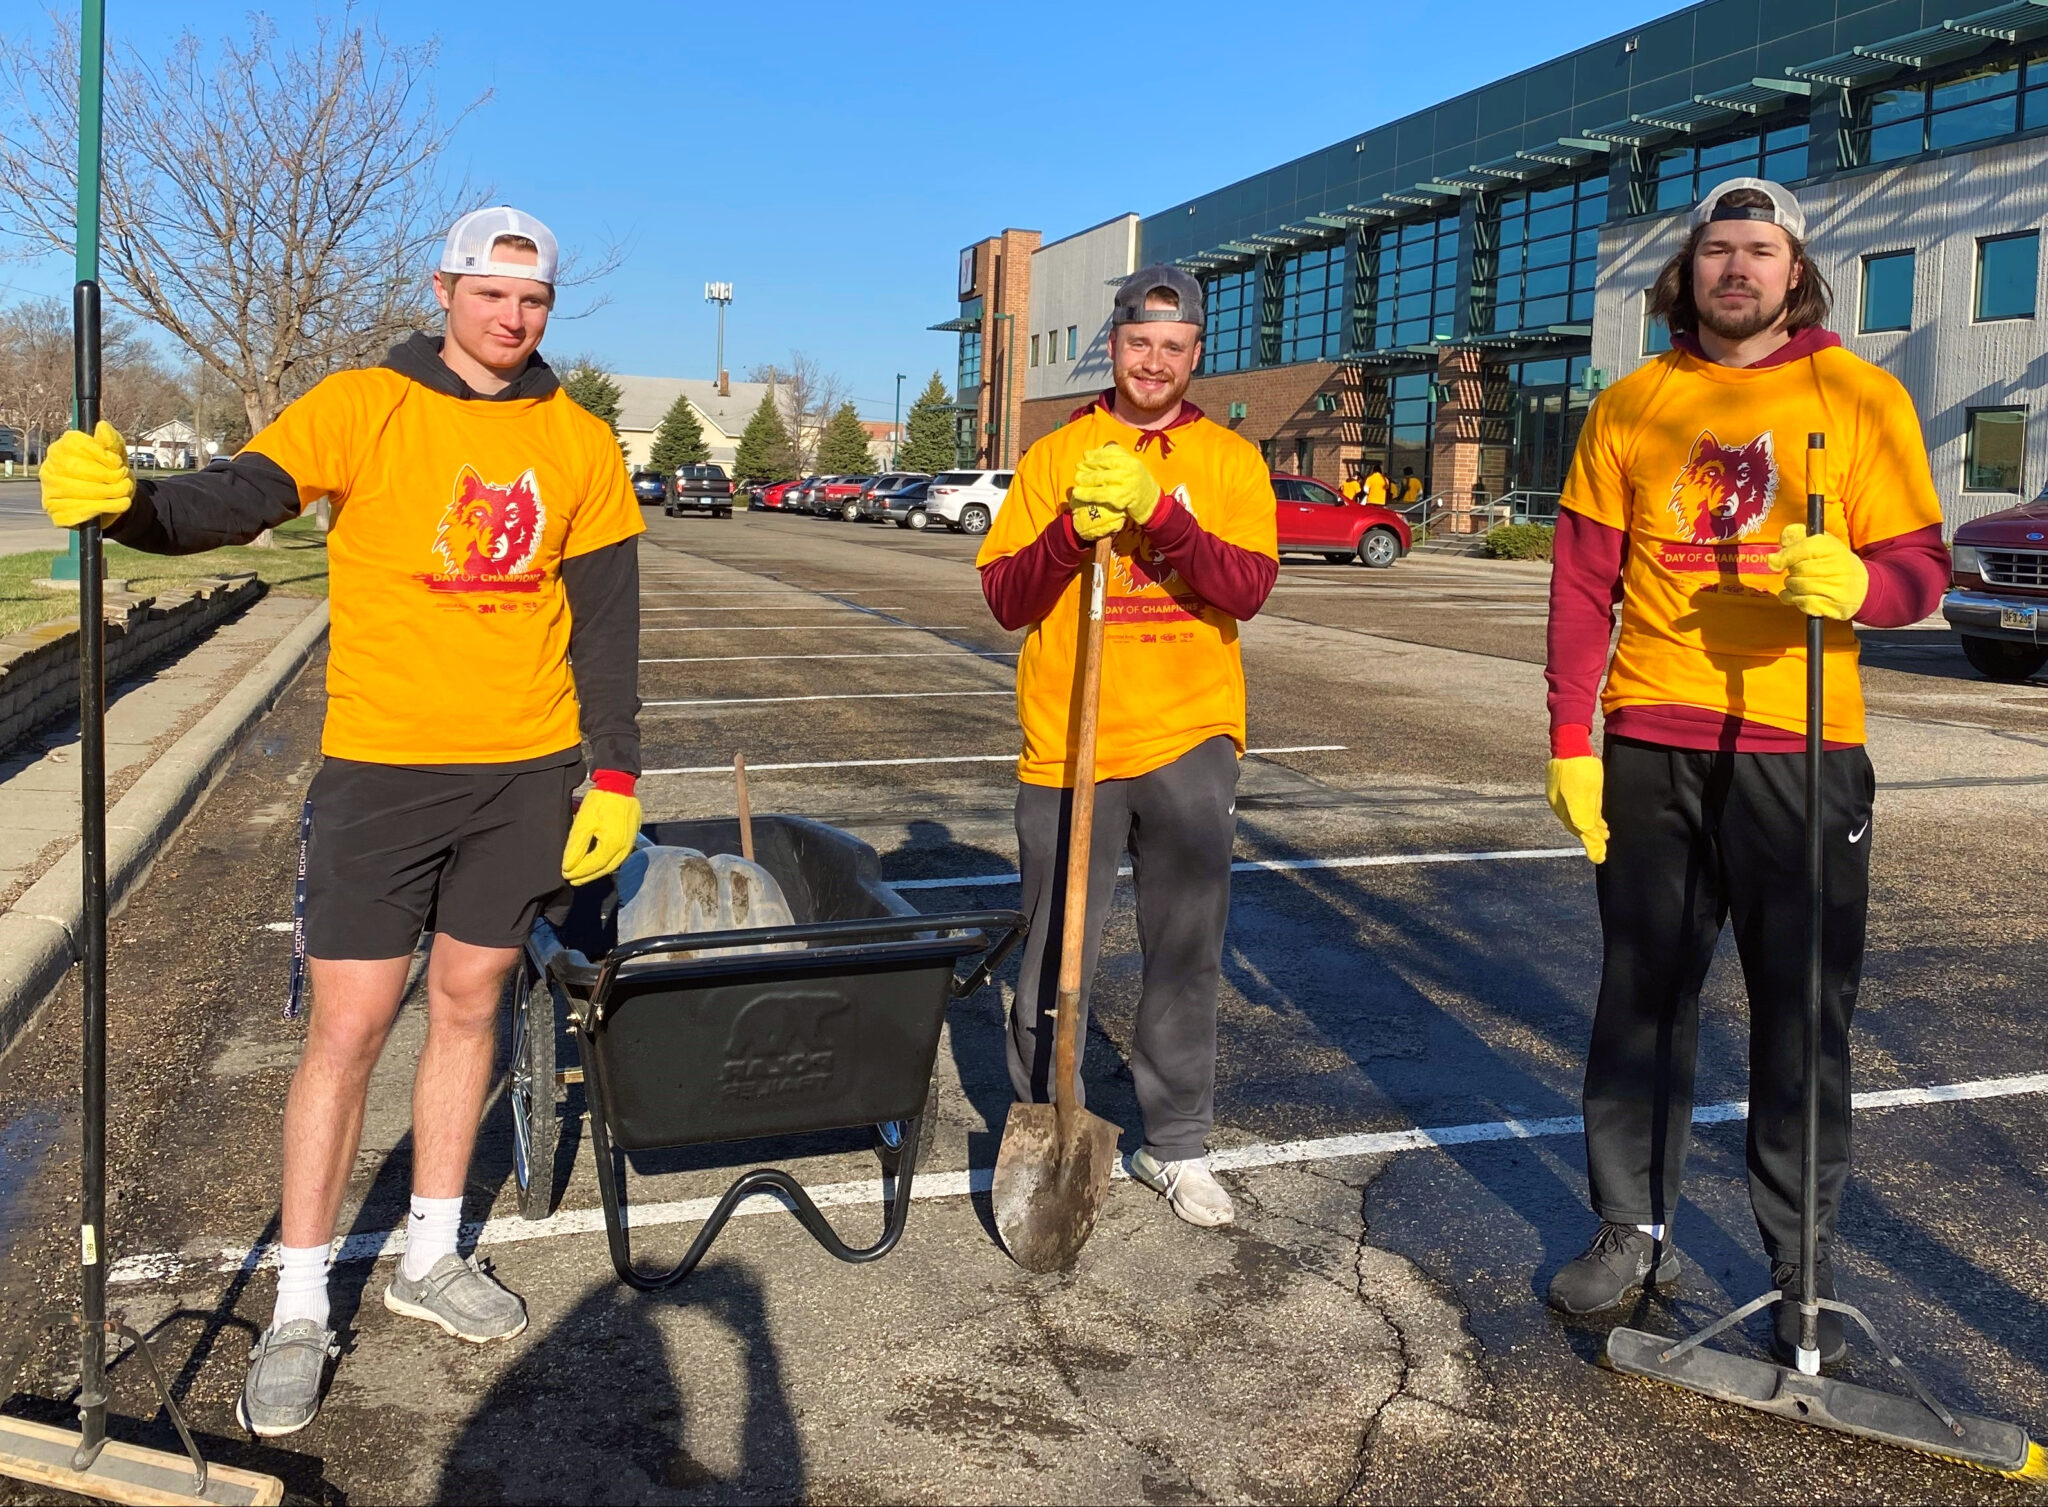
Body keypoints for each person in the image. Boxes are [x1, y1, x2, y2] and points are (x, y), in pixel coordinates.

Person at [37, 206, 647, 1434]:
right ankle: (304, 1301)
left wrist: (617, 774)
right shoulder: (362, 402)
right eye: (489, 293)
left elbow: (609, 615)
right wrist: (128, 510)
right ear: (445, 289)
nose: (510, 317)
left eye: (530, 301)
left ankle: (430, 1253)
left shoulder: (579, 441)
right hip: (381, 767)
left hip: (524, 772)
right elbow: (237, 496)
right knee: (349, 1027)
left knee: (471, 1002)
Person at [1540, 180, 1947, 1365]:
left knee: (1801, 1013)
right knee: (1643, 999)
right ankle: (1632, 1224)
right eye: (1715, 250)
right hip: (1653, 740)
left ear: (1793, 270)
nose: (1735, 269)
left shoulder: (1856, 396)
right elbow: (1579, 584)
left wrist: (1862, 588)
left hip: (1800, 747)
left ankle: (1800, 1272)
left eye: (1757, 251)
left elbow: (1920, 563)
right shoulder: (1633, 402)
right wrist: (1572, 736)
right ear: (1687, 271)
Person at [976, 265, 1278, 1227]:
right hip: (1068, 740)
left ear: (1197, 354)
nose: (1155, 361)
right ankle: (1040, 1119)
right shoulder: (1054, 453)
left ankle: (1176, 1144)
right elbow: (1004, 599)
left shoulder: (1231, 460)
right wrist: (1073, 529)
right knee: (1051, 952)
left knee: (1184, 951)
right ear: (1112, 346)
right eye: (1139, 343)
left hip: (1190, 735)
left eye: (1175, 346)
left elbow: (1245, 587)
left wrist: (1160, 517)